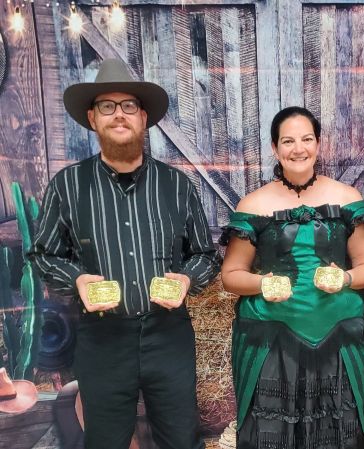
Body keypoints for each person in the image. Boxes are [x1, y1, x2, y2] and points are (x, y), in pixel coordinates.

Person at [28, 58, 220, 449]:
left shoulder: (177, 185)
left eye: (129, 105)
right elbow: (43, 254)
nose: (119, 114)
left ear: (143, 117)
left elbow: (206, 254)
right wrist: (77, 280)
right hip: (102, 339)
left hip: (168, 335)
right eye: (107, 106)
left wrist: (187, 278)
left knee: (182, 440)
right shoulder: (68, 185)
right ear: (92, 118)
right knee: (106, 442)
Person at [220, 106, 364, 448]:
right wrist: (263, 283)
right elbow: (231, 276)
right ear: (275, 148)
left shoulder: (347, 198)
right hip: (272, 339)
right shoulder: (254, 204)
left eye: (306, 139)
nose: (298, 149)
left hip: (338, 337)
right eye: (288, 141)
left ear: (318, 144)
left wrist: (344, 279)